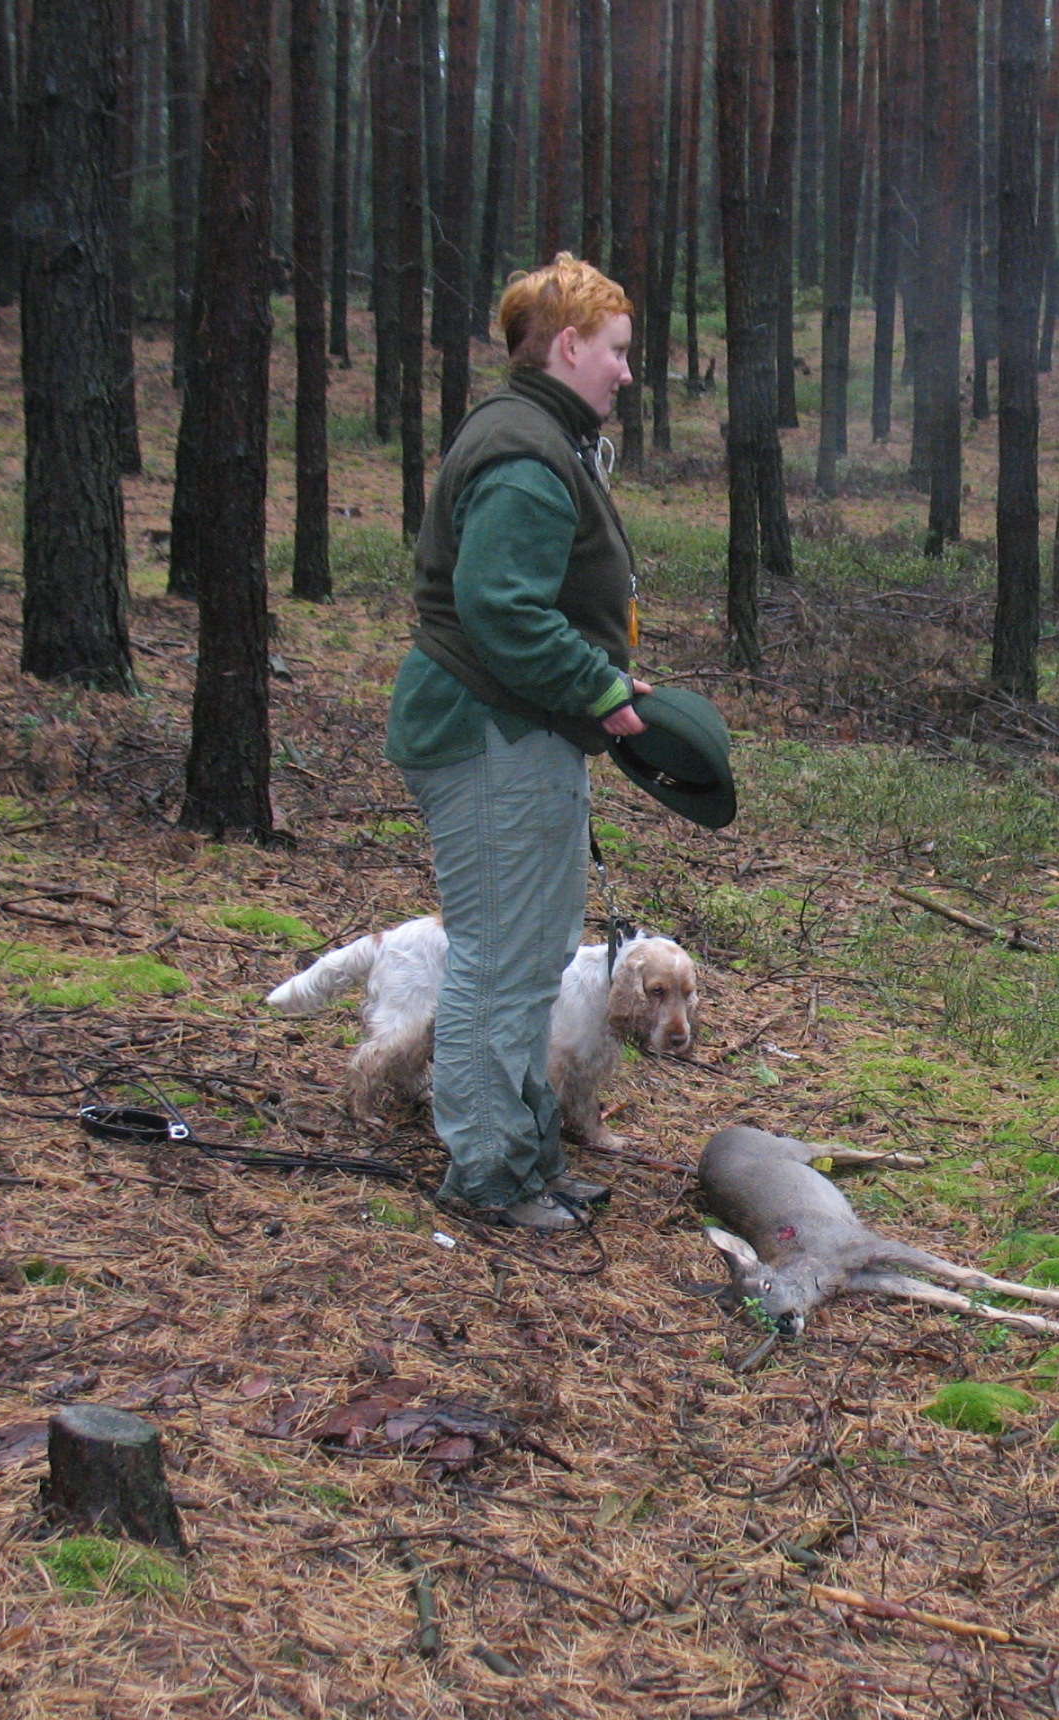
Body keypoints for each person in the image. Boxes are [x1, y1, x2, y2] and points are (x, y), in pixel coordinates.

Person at [385, 253, 653, 1230]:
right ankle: (487, 1175)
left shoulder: (549, 438)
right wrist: (596, 684)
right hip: (487, 732)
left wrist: (606, 676)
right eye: (617, 352)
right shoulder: (523, 452)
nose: (628, 371)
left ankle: (529, 1157)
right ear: (570, 346)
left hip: (523, 729)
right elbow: (498, 609)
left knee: (533, 956)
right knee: (500, 961)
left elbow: (543, 603)